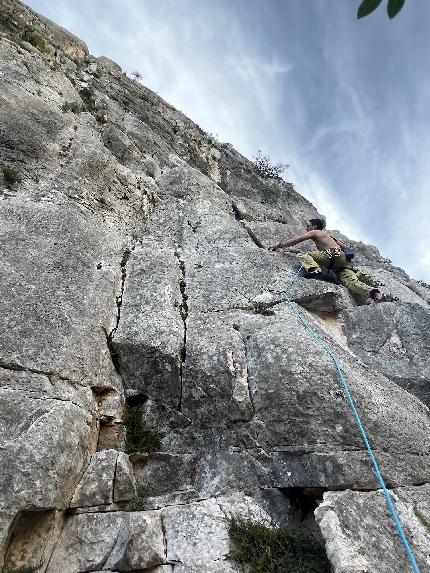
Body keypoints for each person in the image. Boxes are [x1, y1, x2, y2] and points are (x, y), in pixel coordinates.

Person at [269, 218, 383, 303]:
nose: (306, 228)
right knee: (351, 282)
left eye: (308, 225)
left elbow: (297, 240)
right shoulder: (329, 237)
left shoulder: (315, 232)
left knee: (304, 255)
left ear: (314, 226)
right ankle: (375, 294)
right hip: (343, 263)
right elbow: (346, 248)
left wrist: (279, 246)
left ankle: (315, 270)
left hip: (332, 255)